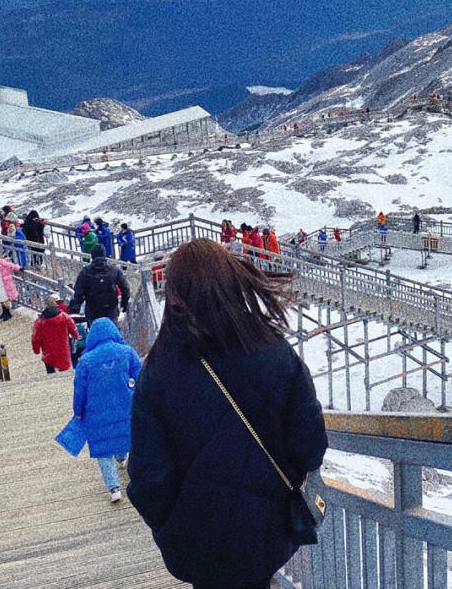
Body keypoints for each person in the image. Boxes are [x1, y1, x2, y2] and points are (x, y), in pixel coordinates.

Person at [127, 238, 327, 589]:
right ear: (233, 281)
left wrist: (172, 527)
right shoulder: (274, 351)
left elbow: (148, 480)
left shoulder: (157, 375)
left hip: (197, 541)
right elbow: (310, 445)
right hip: (267, 531)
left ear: (174, 296)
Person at [62, 317, 143, 502]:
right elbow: (141, 377)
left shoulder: (85, 361)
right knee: (124, 437)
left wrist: (78, 411)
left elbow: (79, 390)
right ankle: (124, 461)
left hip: (96, 412)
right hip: (125, 406)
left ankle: (114, 489)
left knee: (104, 451)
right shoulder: (126, 352)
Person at [70, 244, 130, 324]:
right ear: (104, 255)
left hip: (93, 310)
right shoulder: (114, 270)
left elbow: (78, 292)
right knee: (111, 331)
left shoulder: (85, 272)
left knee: (95, 333)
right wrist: (124, 304)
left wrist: (74, 309)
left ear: (92, 256)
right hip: (111, 310)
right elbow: (125, 288)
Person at [32, 293, 78, 373]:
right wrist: (76, 336)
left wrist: (36, 349)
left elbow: (36, 337)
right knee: (64, 370)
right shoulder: (63, 316)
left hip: (48, 351)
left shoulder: (40, 321)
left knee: (50, 371)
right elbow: (72, 327)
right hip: (62, 348)